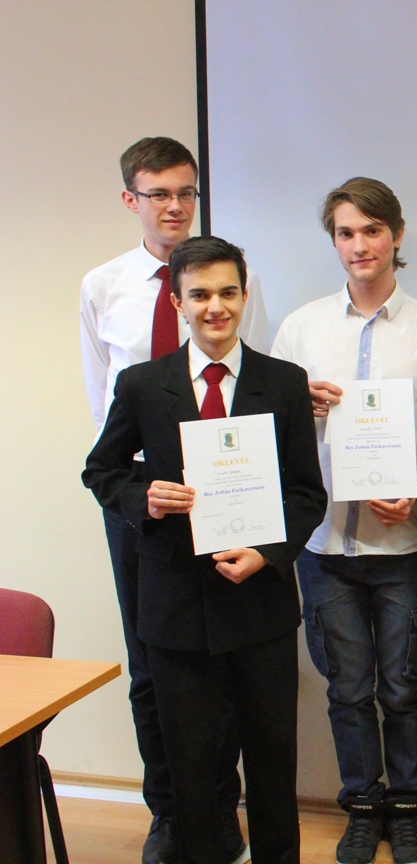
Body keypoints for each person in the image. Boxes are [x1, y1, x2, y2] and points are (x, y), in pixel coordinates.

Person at [83, 236, 328, 864]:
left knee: (273, 756)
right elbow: (102, 470)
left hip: (260, 600)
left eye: (227, 292)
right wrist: (144, 497)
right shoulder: (143, 384)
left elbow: (307, 494)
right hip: (176, 603)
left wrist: (268, 552)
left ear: (244, 297)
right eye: (199, 295)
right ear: (177, 303)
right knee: (192, 763)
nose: (214, 307)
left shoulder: (283, 383)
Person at [78, 136, 268, 863]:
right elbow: (103, 399)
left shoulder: (233, 278)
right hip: (144, 502)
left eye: (186, 192)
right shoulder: (102, 285)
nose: (174, 206)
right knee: (151, 665)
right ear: (131, 199)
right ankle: (170, 813)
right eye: (158, 193)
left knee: (222, 663)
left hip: (224, 491)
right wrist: (136, 491)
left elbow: (250, 382)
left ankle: (222, 813)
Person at [271, 177, 417, 864]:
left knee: (405, 688)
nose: (360, 245)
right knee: (347, 690)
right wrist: (297, 405)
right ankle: (361, 807)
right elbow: (268, 433)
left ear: (397, 235)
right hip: (323, 545)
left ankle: (407, 809)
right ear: (334, 241)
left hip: (404, 544)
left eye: (373, 230)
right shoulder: (299, 329)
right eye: (346, 233)